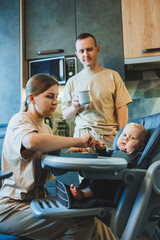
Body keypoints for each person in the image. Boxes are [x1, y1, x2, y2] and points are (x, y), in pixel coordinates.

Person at [0, 74, 115, 240]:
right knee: (83, 223)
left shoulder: (45, 128)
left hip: (36, 199)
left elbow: (54, 170)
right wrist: (79, 140)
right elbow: (32, 142)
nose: (55, 102)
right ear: (32, 98)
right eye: (49, 96)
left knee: (93, 222)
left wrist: (71, 154)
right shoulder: (20, 120)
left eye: (56, 97)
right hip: (11, 206)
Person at [61, 32, 132, 147]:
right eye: (81, 51)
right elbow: (66, 116)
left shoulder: (113, 76)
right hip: (82, 139)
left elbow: (122, 108)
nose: (86, 54)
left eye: (89, 49)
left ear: (97, 49)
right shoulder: (72, 82)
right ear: (77, 54)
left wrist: (122, 135)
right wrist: (74, 107)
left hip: (109, 138)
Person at [70, 123, 148, 201]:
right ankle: (79, 190)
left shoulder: (137, 156)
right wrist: (101, 150)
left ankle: (84, 194)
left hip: (113, 183)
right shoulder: (114, 152)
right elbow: (104, 159)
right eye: (124, 135)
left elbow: (141, 169)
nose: (126, 138)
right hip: (102, 176)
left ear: (140, 147)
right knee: (87, 179)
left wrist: (132, 153)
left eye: (132, 138)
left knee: (103, 183)